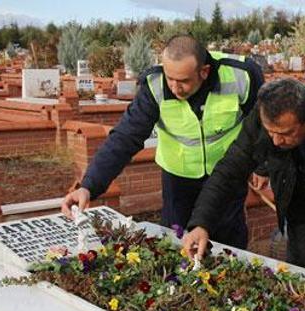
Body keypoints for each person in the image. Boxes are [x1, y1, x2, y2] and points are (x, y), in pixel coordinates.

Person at [61, 35, 264, 249]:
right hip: (178, 180)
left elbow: (262, 123)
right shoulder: (154, 85)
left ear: (204, 72)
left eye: (184, 81)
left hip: (226, 177)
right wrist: (88, 186)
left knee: (227, 245)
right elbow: (125, 137)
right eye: (171, 79)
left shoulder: (241, 75)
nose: (175, 88)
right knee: (176, 244)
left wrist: (261, 165)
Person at [181, 78, 305, 280]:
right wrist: (201, 223)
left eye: (286, 133)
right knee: (299, 266)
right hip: (299, 195)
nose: (277, 141)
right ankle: (302, 307)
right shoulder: (261, 116)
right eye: (271, 132)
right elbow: (230, 169)